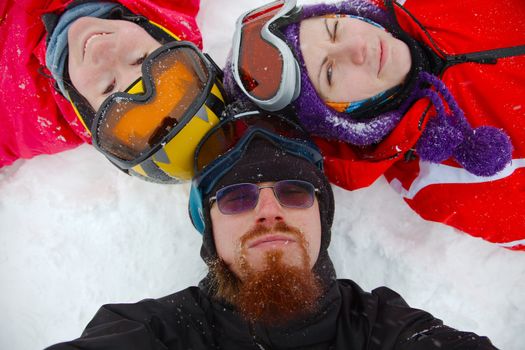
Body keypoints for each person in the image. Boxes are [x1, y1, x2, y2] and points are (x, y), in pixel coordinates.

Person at [45, 109, 497, 349]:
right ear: (210, 235)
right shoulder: (156, 331)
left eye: (295, 192)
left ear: (323, 220)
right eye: (238, 198)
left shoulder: (384, 327)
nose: (268, 211)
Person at [223, 0, 525, 250]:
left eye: (334, 28)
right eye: (330, 72)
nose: (356, 48)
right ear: (342, 119)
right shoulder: (437, 179)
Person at [0, 0, 226, 184]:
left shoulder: (23, 116)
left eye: (108, 87)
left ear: (85, 109)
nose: (104, 51)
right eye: (141, 59)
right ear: (161, 38)